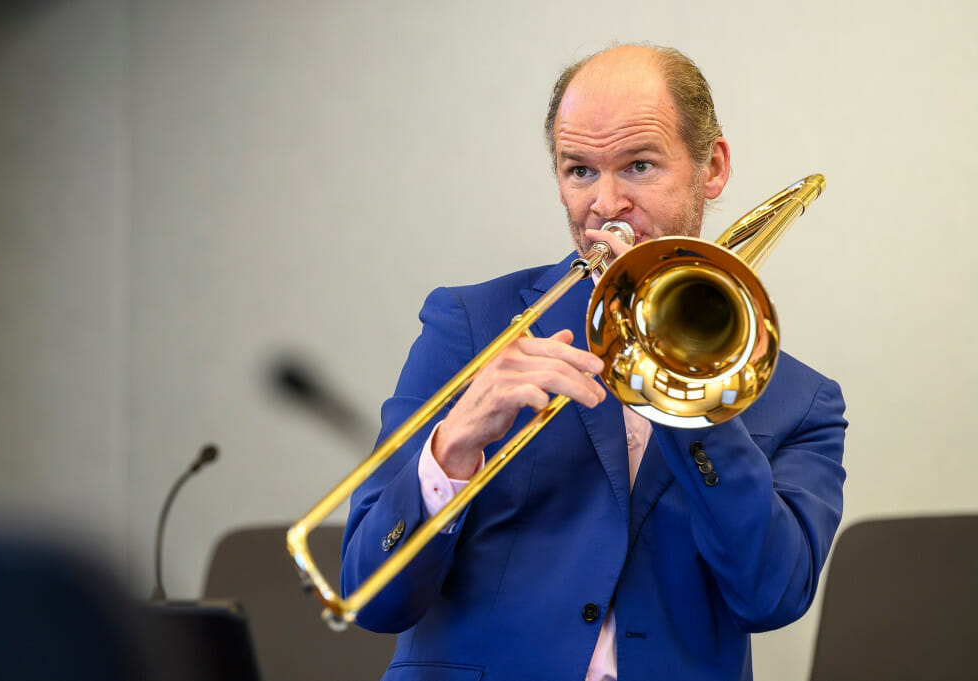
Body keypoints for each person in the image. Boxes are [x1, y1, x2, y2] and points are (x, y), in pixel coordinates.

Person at [340, 43, 847, 681]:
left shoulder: (801, 399)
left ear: (711, 167)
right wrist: (452, 448)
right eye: (579, 170)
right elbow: (370, 592)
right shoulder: (471, 326)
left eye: (638, 165)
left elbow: (771, 596)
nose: (605, 204)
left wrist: (695, 391)